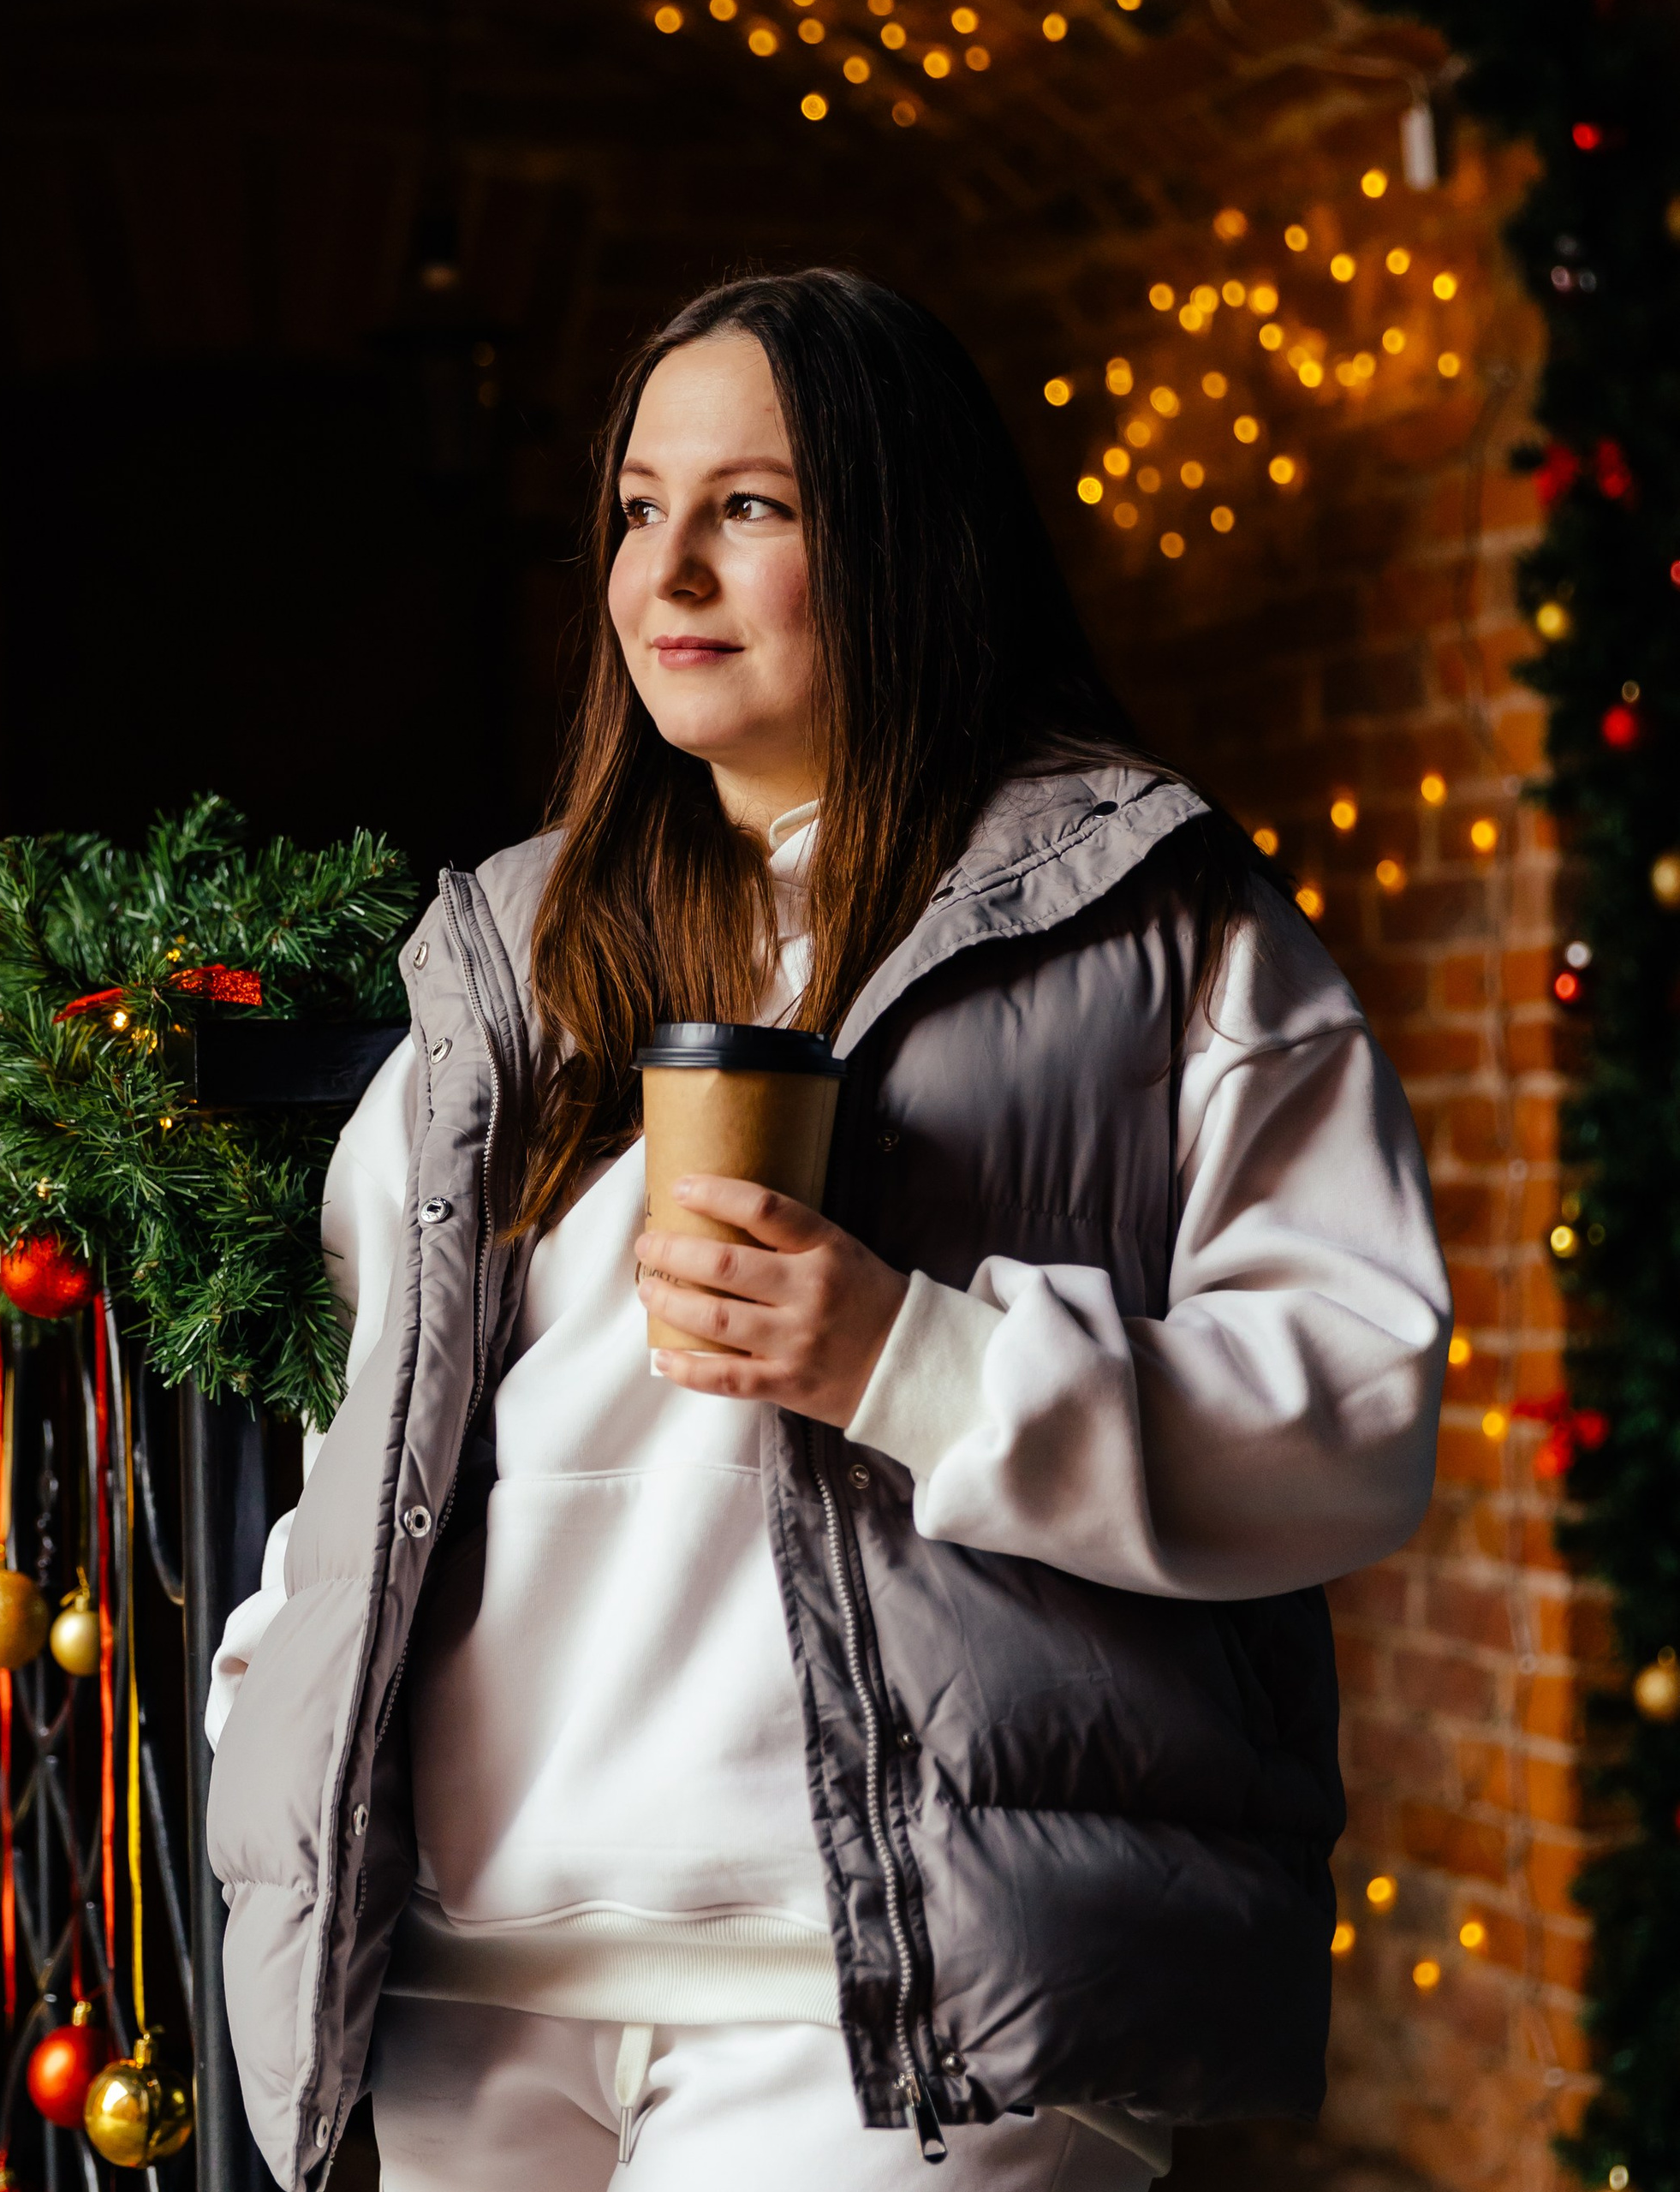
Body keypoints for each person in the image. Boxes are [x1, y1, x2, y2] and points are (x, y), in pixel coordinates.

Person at [203, 269, 1447, 2192]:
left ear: (903, 540)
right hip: (475, 1976)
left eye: (752, 507)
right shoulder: (509, 958)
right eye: (636, 508)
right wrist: (266, 1714)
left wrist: (909, 1356)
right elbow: (372, 1436)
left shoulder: (1143, 921)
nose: (669, 569)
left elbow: (1351, 1410)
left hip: (889, 1995)